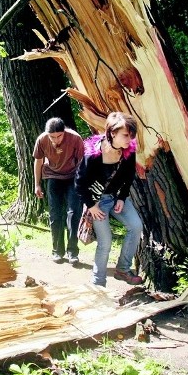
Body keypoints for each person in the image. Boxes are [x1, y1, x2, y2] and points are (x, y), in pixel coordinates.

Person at [75, 112, 143, 287]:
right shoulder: (92, 155)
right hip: (97, 202)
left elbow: (129, 176)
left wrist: (121, 198)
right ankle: (98, 283)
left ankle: (122, 270)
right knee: (105, 241)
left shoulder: (129, 152)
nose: (130, 139)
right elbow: (79, 183)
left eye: (132, 135)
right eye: (126, 135)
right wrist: (91, 206)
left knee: (136, 227)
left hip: (115, 197)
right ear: (112, 133)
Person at [33, 117, 85, 265]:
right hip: (53, 176)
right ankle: (57, 251)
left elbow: (82, 162)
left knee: (73, 213)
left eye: (59, 136)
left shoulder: (75, 138)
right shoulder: (42, 140)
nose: (56, 140)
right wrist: (37, 184)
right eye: (52, 137)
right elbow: (38, 161)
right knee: (55, 214)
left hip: (72, 176)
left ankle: (72, 251)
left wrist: (82, 183)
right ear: (47, 134)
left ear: (64, 131)